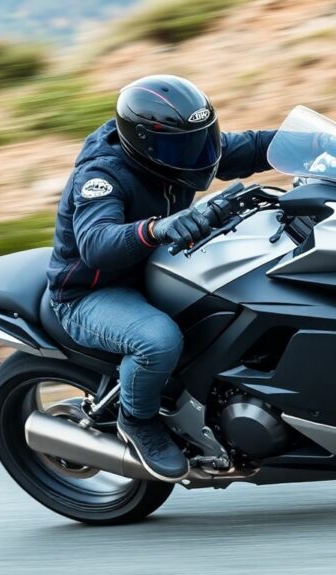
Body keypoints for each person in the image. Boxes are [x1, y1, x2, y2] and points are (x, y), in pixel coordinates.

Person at [46, 75, 276, 482]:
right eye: (180, 147)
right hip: (91, 292)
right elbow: (96, 243)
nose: (197, 154)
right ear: (145, 145)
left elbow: (257, 146)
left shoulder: (187, 147)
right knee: (157, 340)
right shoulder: (102, 175)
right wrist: (156, 228)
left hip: (158, 270)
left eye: (202, 141)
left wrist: (331, 143)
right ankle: (136, 421)